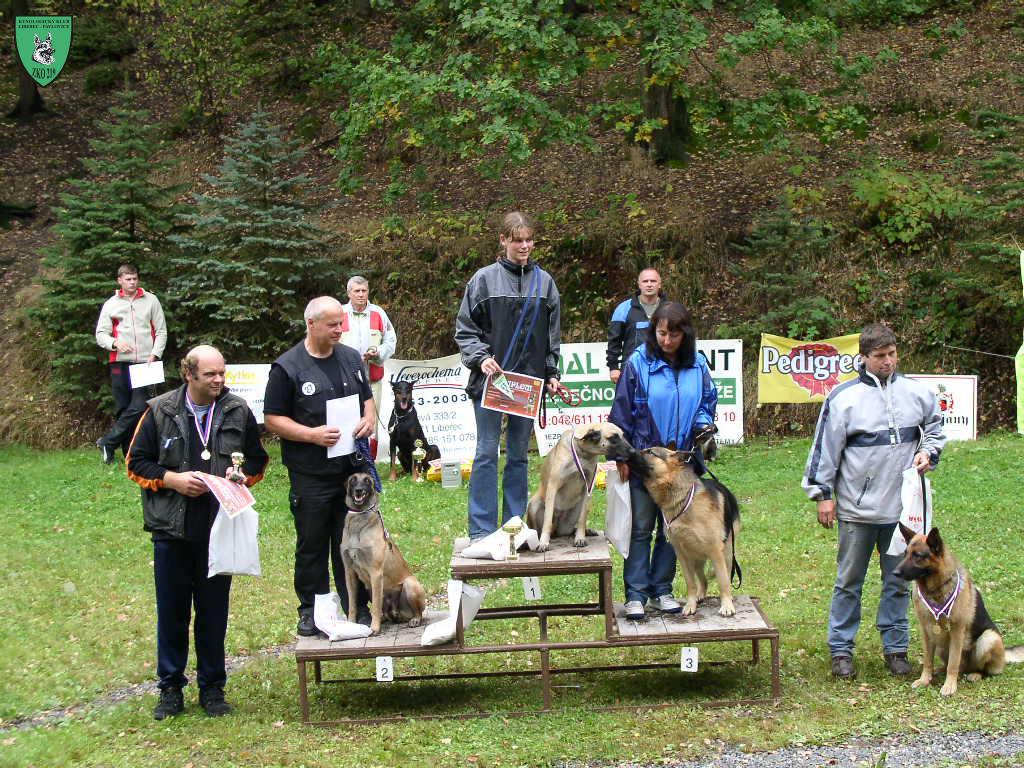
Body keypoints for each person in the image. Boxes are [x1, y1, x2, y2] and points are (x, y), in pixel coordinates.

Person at [127, 345, 269, 720]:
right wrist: (171, 479)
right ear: (189, 374)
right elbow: (135, 463)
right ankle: (170, 689)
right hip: (172, 531)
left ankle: (212, 688)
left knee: (213, 614)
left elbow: (257, 460)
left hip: (218, 528)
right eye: (211, 375)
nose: (219, 380)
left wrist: (241, 478)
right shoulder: (159, 410)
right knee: (172, 613)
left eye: (222, 373)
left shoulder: (238, 410)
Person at [803, 322, 946, 680]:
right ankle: (841, 650)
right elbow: (824, 450)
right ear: (864, 357)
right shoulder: (843, 398)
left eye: (892, 354)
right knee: (848, 581)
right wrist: (822, 495)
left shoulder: (916, 392)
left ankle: (896, 649)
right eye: (880, 356)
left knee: (898, 582)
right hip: (857, 509)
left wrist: (928, 452)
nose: (888, 361)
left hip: (903, 512)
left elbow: (935, 429)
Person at [264, 296, 377, 637]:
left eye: (341, 323)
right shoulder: (287, 368)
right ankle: (311, 612)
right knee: (312, 545)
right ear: (311, 324)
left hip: (350, 474)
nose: (339, 329)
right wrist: (311, 435)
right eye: (332, 325)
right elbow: (272, 419)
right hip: (310, 474)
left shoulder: (351, 357)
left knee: (352, 544)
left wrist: (369, 419)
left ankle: (357, 607)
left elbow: (367, 400)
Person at [455, 211, 561, 540]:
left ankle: (513, 527)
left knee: (518, 456)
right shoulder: (483, 280)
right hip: (492, 382)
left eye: (529, 240)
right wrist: (481, 358)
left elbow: (552, 336)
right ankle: (482, 531)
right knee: (486, 453)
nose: (524, 246)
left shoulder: (545, 282)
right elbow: (465, 331)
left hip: (528, 384)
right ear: (503, 240)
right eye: (518, 240)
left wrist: (552, 372)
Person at [609, 302, 718, 621]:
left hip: (682, 462)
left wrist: (703, 428)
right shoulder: (637, 363)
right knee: (641, 527)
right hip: (645, 461)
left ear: (685, 334)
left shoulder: (698, 364)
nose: (667, 340)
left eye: (673, 334)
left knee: (673, 528)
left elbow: (707, 402)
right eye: (661, 333)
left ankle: (662, 589)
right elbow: (622, 411)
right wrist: (622, 456)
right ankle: (635, 594)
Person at [95, 263, 167, 464]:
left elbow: (161, 331)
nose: (132, 282)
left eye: (135, 278)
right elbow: (101, 334)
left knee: (140, 405)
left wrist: (155, 354)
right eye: (128, 279)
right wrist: (115, 343)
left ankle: (108, 441)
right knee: (123, 407)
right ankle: (128, 452)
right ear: (120, 280)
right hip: (119, 362)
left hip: (146, 362)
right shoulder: (111, 304)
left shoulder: (151, 300)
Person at [340, 276, 397, 456]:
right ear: (349, 293)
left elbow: (391, 341)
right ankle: (348, 460)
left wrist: (378, 352)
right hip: (344, 380)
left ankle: (369, 462)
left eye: (364, 290)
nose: (361, 294)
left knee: (371, 423)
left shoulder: (378, 313)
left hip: (373, 380)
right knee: (347, 421)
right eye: (356, 291)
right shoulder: (339, 313)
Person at [606, 268, 670, 385]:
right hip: (632, 369)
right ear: (639, 284)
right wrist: (613, 367)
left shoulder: (671, 309)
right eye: (645, 281)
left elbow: (681, 338)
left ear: (659, 284)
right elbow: (614, 341)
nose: (649, 284)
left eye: (653, 281)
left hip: (665, 369)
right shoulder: (623, 308)